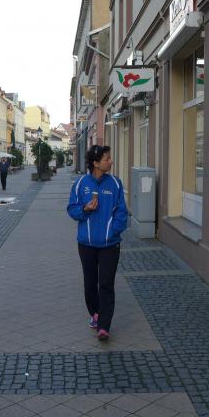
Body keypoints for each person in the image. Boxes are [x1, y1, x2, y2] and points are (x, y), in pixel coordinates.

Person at [66, 145, 128, 341]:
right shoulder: (81, 184)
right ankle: (95, 313)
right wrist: (85, 209)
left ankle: (104, 326)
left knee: (106, 284)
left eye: (110, 158)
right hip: (87, 244)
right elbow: (72, 210)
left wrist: (113, 231)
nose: (111, 162)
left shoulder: (115, 183)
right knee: (90, 284)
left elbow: (122, 212)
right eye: (107, 159)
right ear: (95, 163)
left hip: (110, 244)